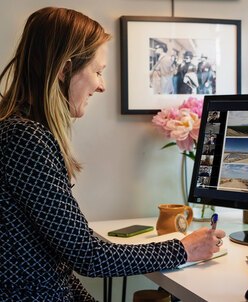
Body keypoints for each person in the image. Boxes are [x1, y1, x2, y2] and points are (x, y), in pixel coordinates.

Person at [0, 7, 225, 301]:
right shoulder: (25, 139)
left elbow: (64, 258)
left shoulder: (20, 132)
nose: (102, 85)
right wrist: (183, 249)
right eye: (97, 71)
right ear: (64, 70)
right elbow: (89, 256)